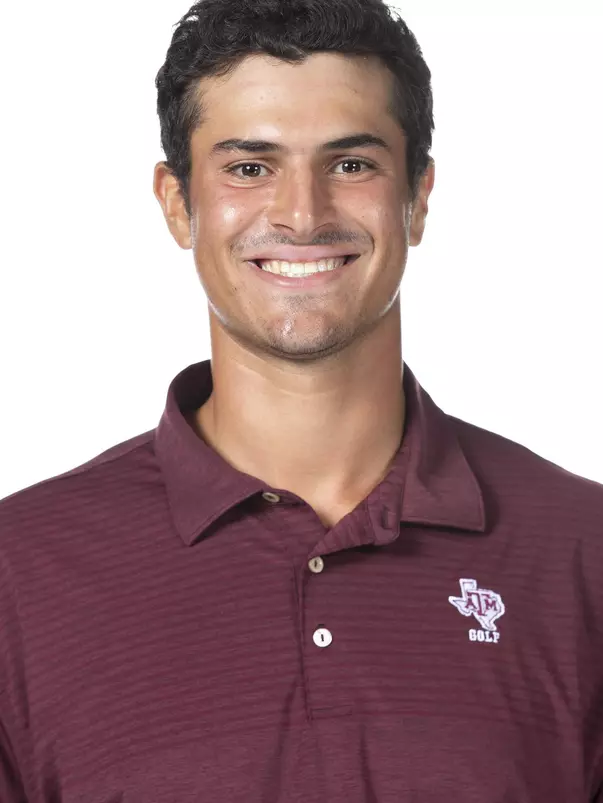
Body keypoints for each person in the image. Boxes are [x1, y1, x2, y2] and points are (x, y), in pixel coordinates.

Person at [1, 0, 602, 800]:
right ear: (178, 204)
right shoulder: (20, 576)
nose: (302, 213)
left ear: (417, 198)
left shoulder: (581, 554)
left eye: (350, 164)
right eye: (249, 167)